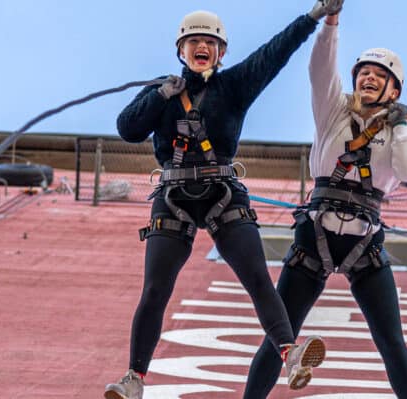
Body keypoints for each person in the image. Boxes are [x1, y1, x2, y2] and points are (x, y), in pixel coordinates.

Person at [103, 2, 345, 399]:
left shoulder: (234, 86)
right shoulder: (160, 92)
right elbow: (127, 128)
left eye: (210, 42)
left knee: (256, 277)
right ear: (181, 50)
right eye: (194, 41)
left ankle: (290, 352)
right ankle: (134, 378)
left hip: (223, 194)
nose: (202, 47)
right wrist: (160, 95)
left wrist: (314, 15)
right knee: (155, 289)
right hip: (174, 197)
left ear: (221, 52)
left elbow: (275, 52)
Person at [244, 9, 407, 399]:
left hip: (365, 246)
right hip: (314, 238)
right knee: (279, 337)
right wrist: (331, 22)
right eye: (364, 72)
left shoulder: (402, 130)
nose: (369, 77)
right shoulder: (334, 112)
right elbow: (320, 68)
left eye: (381, 76)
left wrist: (400, 125)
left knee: (392, 342)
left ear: (394, 91)